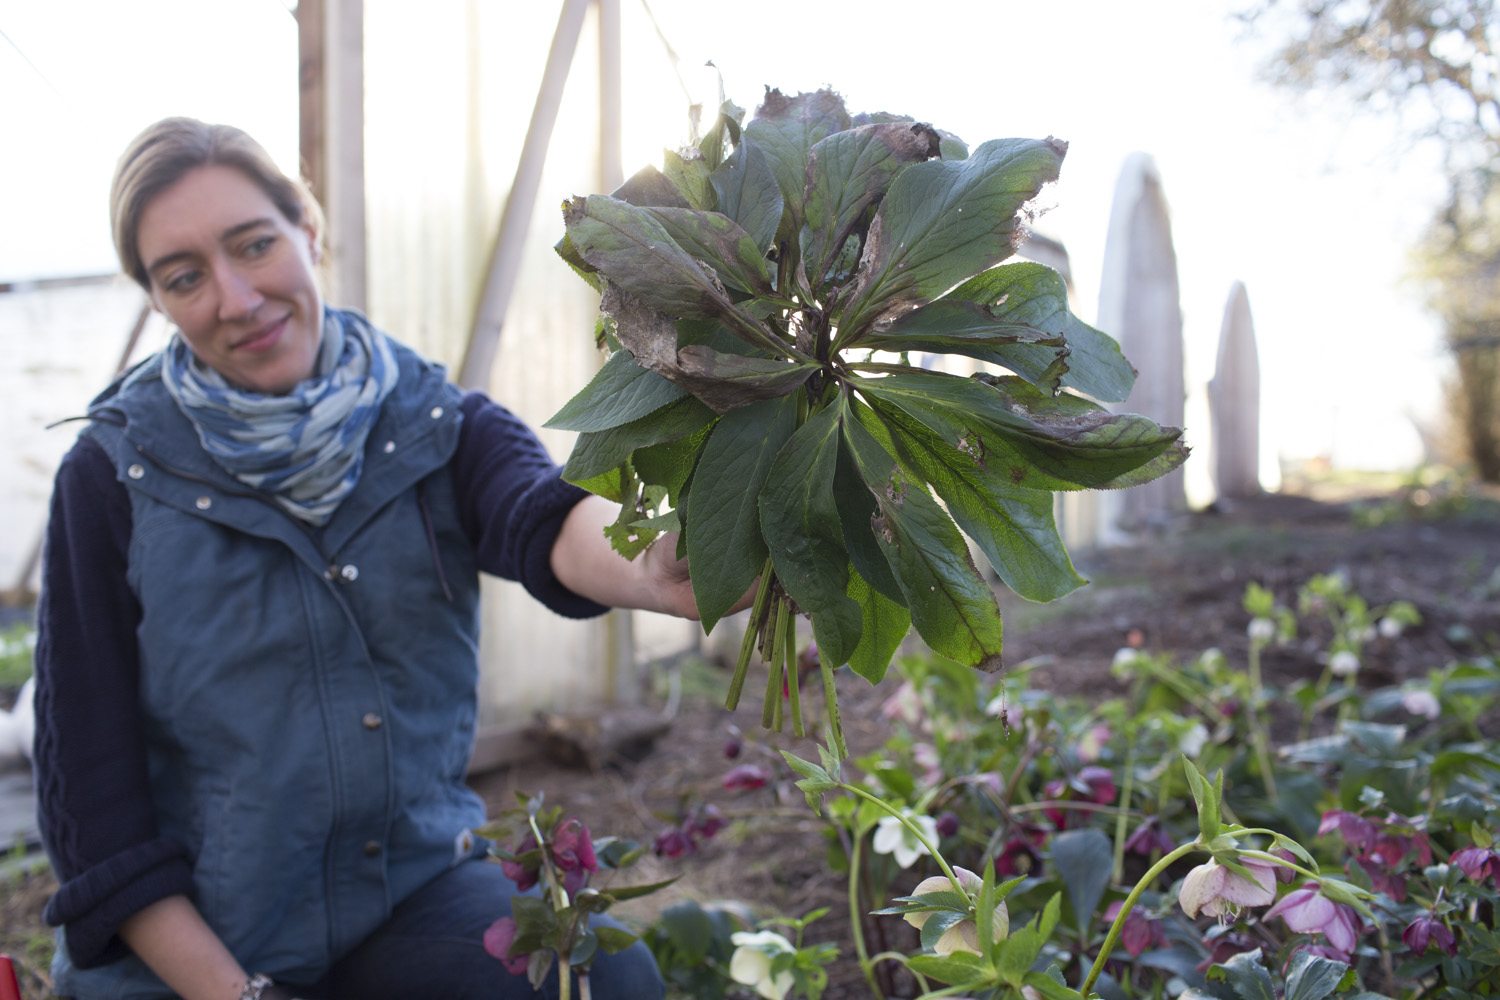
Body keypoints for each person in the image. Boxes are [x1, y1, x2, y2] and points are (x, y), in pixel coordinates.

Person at [33, 116, 709, 1000]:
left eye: (254, 245)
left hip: (404, 893)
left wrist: (652, 568)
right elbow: (93, 805)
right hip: (194, 943)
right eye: (186, 276)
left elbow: (539, 519)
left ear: (308, 232)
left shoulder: (433, 423)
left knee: (605, 977)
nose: (236, 299)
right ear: (156, 299)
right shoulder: (111, 476)